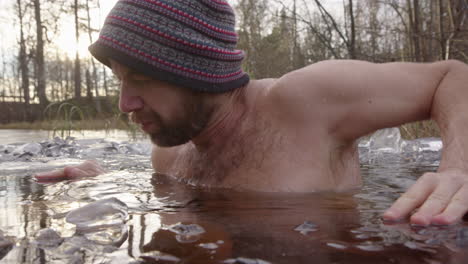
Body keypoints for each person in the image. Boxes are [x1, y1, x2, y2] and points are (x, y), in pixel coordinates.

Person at [35, 0, 468, 227]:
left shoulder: (304, 103)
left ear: (197, 70)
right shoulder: (167, 156)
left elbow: (451, 77)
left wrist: (457, 168)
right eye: (119, 81)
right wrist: (99, 176)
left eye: (142, 79)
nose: (124, 104)